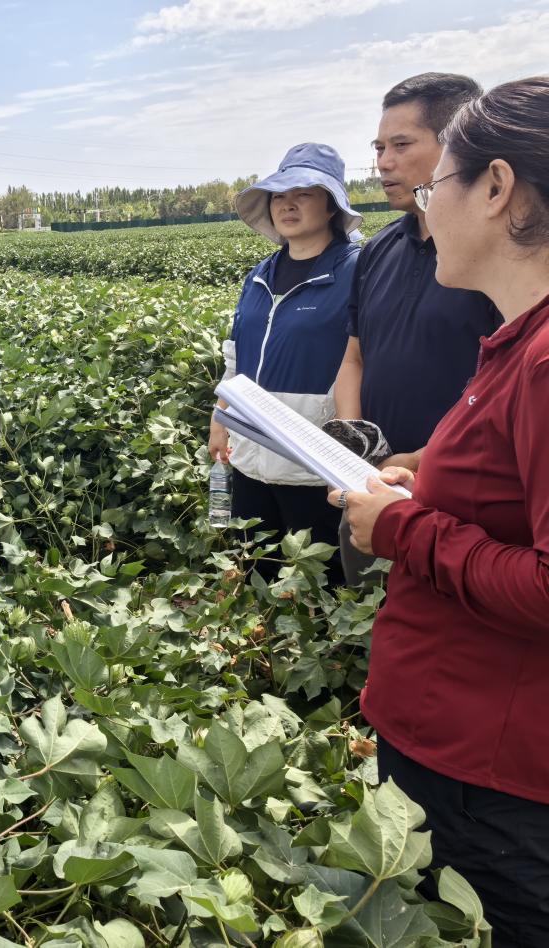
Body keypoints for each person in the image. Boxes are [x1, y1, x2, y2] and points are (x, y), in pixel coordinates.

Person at [336, 76, 549, 943]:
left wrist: (403, 527)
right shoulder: (517, 343)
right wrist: (422, 493)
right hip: (456, 743)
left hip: (491, 776)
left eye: (436, 184)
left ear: (496, 189)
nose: (424, 206)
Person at [333, 73, 502, 584]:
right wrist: (354, 445)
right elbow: (354, 356)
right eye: (379, 147)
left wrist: (423, 460)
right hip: (373, 486)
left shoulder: (493, 256)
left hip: (459, 500)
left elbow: (504, 397)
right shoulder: (377, 250)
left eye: (401, 145)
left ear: (456, 148)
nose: (384, 162)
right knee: (363, 613)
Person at [209, 144, 363, 584]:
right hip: (250, 456)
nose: (288, 204)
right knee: (258, 575)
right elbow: (236, 357)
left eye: (304, 194)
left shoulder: (357, 271)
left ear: (332, 206)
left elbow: (365, 362)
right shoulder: (259, 275)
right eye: (279, 195)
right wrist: (220, 417)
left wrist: (348, 452)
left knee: (319, 588)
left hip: (314, 466)